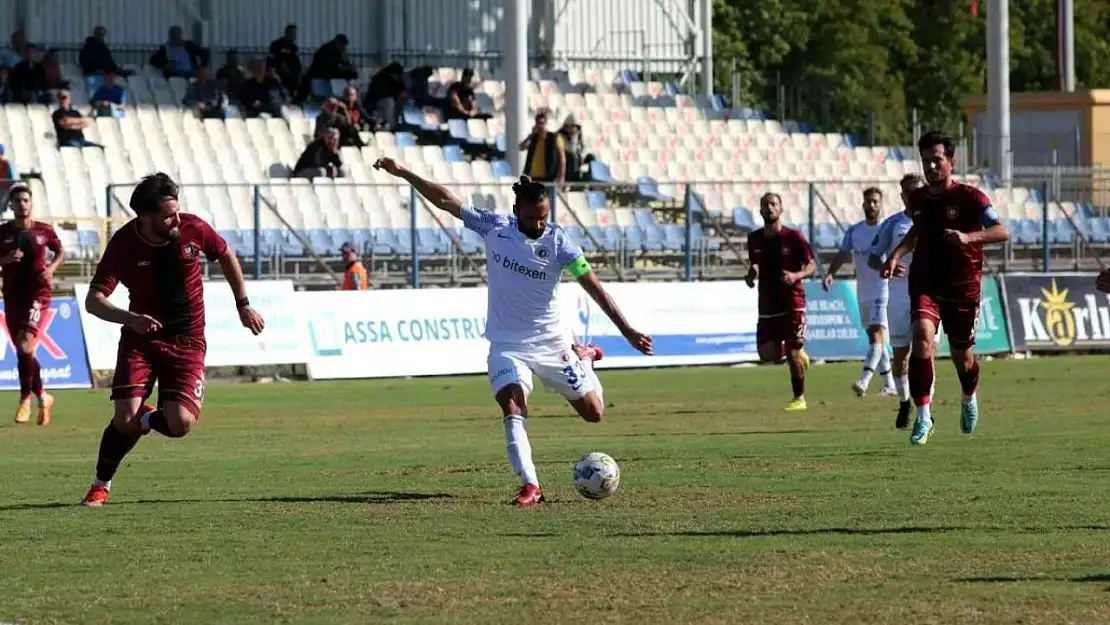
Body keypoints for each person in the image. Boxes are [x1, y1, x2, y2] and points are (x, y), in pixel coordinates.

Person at [372, 158, 652, 507]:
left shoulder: (560, 243)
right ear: (516, 209)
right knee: (512, 406)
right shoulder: (495, 227)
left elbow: (594, 288)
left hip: (552, 342)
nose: (539, 223)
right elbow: (445, 200)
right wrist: (403, 172)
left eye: (545, 216)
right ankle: (531, 485)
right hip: (506, 344)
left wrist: (627, 331)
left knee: (594, 414)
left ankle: (588, 359)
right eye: (533, 216)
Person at [79, 173, 265, 506]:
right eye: (167, 215)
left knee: (180, 424)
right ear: (145, 217)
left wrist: (244, 304)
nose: (176, 218)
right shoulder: (124, 244)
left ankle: (148, 418)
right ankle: (100, 483)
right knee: (124, 422)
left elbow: (225, 254)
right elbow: (94, 300)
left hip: (188, 341)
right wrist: (130, 318)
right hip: (142, 341)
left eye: (176, 210)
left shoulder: (194, 229)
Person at [881, 131, 1009, 445]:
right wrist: (897, 254)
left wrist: (968, 238)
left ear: (951, 162)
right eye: (926, 161)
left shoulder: (972, 198)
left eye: (937, 160)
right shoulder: (918, 199)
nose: (931, 167)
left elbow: (1001, 231)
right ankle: (924, 417)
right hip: (925, 283)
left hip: (963, 288)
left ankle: (968, 395)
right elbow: (917, 232)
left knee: (962, 359)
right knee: (922, 339)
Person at [745, 192, 816, 411]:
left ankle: (799, 398)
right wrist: (751, 273)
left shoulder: (793, 237)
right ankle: (797, 350)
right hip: (767, 302)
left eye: (773, 204)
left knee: (793, 353)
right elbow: (756, 263)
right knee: (767, 354)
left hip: (792, 301)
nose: (769, 208)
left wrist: (796, 276)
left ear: (781, 209)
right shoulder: (754, 239)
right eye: (765, 205)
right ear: (760, 211)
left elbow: (811, 264)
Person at [868, 174, 928, 429]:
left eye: (917, 192)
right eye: (908, 193)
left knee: (926, 353)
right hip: (900, 297)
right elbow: (873, 259)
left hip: (928, 294)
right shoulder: (893, 224)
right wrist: (887, 266)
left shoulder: (934, 220)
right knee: (902, 355)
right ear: (902, 195)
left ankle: (926, 412)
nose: (913, 197)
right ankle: (905, 403)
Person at [823, 187, 896, 397]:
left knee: (876, 334)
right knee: (876, 339)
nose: (871, 205)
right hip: (863, 291)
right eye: (868, 201)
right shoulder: (855, 231)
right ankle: (890, 384)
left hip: (884, 289)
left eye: (875, 201)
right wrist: (830, 274)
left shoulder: (887, 229)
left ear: (881, 204)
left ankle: (864, 380)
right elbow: (843, 254)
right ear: (862, 204)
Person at [0, 184, 63, 424]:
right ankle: (44, 396)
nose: (22, 204)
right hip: (13, 295)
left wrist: (51, 268)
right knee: (23, 350)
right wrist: (4, 260)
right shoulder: (3, 232)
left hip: (38, 294)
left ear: (31, 203)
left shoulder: (44, 230)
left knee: (25, 346)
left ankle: (25, 399)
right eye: (17, 201)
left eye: (25, 200)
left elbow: (59, 251)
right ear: (12, 205)